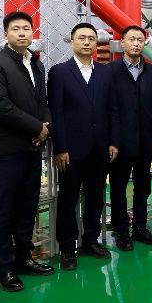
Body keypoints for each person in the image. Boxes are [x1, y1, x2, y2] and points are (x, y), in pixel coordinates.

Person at [0, 11, 53, 292]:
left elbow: (42, 101)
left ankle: (24, 257)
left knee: (27, 207)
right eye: (16, 29)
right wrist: (36, 127)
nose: (22, 33)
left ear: (33, 32)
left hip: (32, 147)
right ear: (6, 34)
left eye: (26, 28)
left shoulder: (36, 64)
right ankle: (4, 267)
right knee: (6, 208)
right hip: (7, 149)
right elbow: (0, 106)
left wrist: (46, 126)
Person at [48, 22, 119, 270]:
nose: (87, 42)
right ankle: (68, 248)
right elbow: (56, 112)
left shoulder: (105, 72)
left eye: (91, 38)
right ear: (72, 42)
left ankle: (90, 240)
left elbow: (113, 109)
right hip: (71, 150)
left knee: (96, 197)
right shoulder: (59, 72)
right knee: (68, 199)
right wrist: (60, 148)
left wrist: (113, 141)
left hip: (100, 148)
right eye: (82, 38)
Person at [109, 25, 152, 251]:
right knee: (118, 188)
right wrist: (112, 140)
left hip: (145, 141)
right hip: (120, 143)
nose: (135, 44)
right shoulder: (111, 71)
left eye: (140, 40)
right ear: (122, 43)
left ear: (144, 44)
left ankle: (140, 227)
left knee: (143, 187)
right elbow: (108, 108)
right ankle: (122, 230)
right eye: (131, 39)